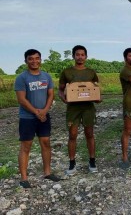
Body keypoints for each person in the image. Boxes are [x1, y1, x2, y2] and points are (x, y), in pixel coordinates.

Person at [14, 49, 60, 188]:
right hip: (27, 117)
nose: (34, 61)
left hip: (44, 116)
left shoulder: (46, 76)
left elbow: (51, 94)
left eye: (37, 58)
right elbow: (21, 99)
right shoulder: (22, 78)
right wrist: (36, 112)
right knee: (26, 146)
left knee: (46, 143)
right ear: (26, 61)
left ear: (40, 59)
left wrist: (45, 111)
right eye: (31, 59)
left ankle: (47, 172)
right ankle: (24, 178)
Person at [58, 45, 101, 175]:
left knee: (89, 134)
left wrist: (98, 98)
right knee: (72, 135)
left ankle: (92, 161)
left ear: (86, 57)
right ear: (73, 56)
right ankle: (72, 163)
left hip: (88, 108)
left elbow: (96, 89)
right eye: (78, 54)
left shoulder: (91, 72)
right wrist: (63, 98)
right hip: (73, 109)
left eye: (82, 55)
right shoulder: (67, 72)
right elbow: (60, 89)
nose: (80, 57)